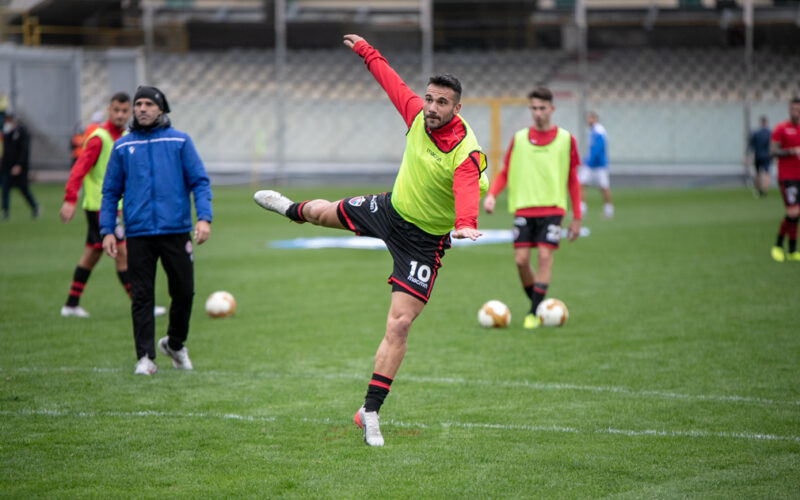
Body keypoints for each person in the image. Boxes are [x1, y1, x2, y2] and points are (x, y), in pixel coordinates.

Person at [253, 34, 488, 446]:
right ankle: (290, 209)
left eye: (441, 102)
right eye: (429, 99)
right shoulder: (417, 114)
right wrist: (366, 50)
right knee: (322, 214)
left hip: (423, 242)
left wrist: (466, 222)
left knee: (399, 324)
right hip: (391, 210)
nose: (431, 108)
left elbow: (468, 186)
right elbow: (390, 80)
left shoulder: (466, 152)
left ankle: (370, 411)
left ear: (457, 108)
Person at [100, 86, 212, 375]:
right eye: (139, 104)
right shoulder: (123, 147)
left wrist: (203, 218)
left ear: (161, 109)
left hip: (176, 230)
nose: (142, 108)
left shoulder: (179, 141)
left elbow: (199, 181)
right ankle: (146, 358)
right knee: (142, 296)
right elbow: (110, 192)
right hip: (138, 233)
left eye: (149, 103)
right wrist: (108, 230)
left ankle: (175, 343)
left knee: (184, 292)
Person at [59, 92, 166, 318]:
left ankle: (70, 304)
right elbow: (79, 169)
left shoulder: (127, 137)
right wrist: (70, 199)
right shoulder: (99, 138)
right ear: (109, 110)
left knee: (92, 254)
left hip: (114, 207)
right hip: (100, 207)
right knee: (123, 252)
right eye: (116, 110)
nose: (120, 115)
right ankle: (141, 303)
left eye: (124, 111)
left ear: (130, 112)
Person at [482, 86, 582, 330]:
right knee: (520, 261)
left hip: (553, 209)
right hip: (524, 209)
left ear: (551, 109)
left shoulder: (566, 140)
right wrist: (492, 195)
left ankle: (532, 312)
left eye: (542, 108)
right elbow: (505, 172)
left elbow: (572, 178)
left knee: (545, 257)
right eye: (534, 108)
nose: (538, 113)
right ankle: (540, 305)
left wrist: (577, 216)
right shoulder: (518, 139)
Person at [769, 97, 800, 262]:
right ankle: (778, 245)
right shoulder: (781, 129)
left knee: (797, 214)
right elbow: (772, 151)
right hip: (787, 177)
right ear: (789, 110)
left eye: (799, 109)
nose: (797, 112)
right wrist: (792, 151)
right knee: (793, 211)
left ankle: (793, 250)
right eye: (794, 109)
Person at [1, 112, 39, 220]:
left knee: (23, 188)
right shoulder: (6, 132)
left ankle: (35, 207)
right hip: (6, 166)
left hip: (19, 167)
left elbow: (24, 150)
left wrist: (19, 165)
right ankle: (5, 211)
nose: (6, 122)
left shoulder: (22, 131)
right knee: (5, 188)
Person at [578, 111, 613, 218]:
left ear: (595, 119)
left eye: (591, 118)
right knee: (581, 184)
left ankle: (608, 209)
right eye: (588, 118)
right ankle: (581, 209)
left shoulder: (599, 131)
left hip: (599, 165)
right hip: (591, 164)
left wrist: (588, 161)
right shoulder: (593, 131)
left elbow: (597, 149)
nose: (589, 121)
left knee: (603, 187)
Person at [749, 116, 772, 198]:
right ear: (766, 122)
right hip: (767, 155)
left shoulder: (756, 133)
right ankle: (765, 191)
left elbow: (751, 145)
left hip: (758, 155)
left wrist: (747, 155)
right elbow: (772, 145)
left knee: (757, 173)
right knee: (766, 173)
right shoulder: (770, 133)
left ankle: (758, 191)